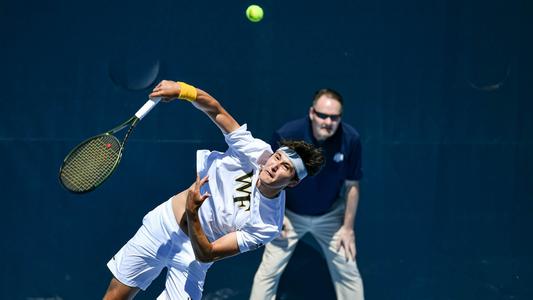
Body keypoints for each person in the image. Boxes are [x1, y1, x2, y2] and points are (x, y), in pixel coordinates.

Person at [102, 80, 325, 300]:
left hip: (194, 256)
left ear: (293, 182)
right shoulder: (256, 153)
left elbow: (207, 253)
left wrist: (192, 213)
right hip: (162, 226)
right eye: (278, 157)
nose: (274, 166)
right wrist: (182, 90)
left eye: (286, 167)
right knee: (114, 296)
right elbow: (215, 110)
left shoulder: (268, 224)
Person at [250, 88, 365, 299]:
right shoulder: (287, 134)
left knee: (349, 271)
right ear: (312, 113)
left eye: (334, 117)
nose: (327, 122)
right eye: (322, 115)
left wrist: (348, 229)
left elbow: (352, 185)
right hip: (288, 217)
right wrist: (277, 214)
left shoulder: (351, 139)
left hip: (331, 216)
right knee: (267, 273)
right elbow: (267, 176)